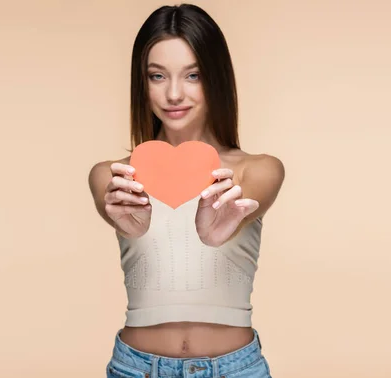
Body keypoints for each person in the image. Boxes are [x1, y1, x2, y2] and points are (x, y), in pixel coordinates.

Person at [88, 4, 285, 377]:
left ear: (216, 78)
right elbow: (115, 209)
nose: (174, 93)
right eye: (157, 76)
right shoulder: (113, 177)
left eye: (192, 75)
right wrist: (131, 220)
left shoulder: (258, 169)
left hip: (235, 369)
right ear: (141, 83)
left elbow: (243, 208)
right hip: (136, 368)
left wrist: (220, 226)